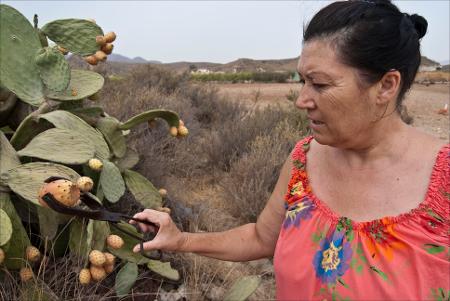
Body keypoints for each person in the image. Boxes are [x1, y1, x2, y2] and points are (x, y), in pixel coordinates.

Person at [130, 0, 449, 299]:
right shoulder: (304, 158)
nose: (301, 100)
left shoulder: (444, 178)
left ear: (386, 85)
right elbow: (260, 238)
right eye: (302, 82)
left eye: (320, 84)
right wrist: (181, 240)